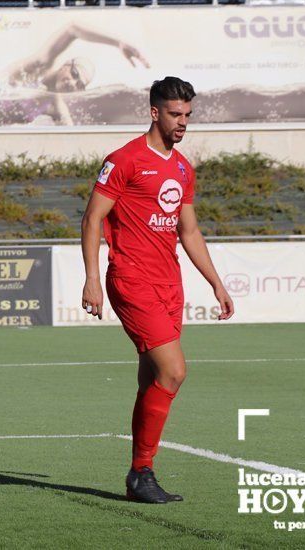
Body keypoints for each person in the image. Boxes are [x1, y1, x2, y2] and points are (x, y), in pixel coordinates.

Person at [80, 77, 235, 503]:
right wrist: (92, 277)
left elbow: (189, 229)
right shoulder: (124, 160)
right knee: (174, 371)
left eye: (187, 114)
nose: (182, 122)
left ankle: (139, 475)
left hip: (170, 282)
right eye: (174, 114)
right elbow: (93, 218)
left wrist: (217, 283)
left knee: (152, 377)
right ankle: (142, 471)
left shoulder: (183, 167)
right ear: (154, 112)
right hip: (130, 279)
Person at [0, 23, 149, 125]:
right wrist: (118, 42)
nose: (73, 83)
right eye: (74, 74)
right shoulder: (39, 66)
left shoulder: (53, 106)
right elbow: (72, 28)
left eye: (80, 84)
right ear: (65, 65)